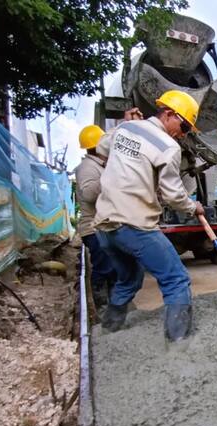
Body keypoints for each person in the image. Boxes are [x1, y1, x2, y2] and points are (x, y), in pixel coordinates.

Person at [94, 90, 204, 341]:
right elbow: (174, 196)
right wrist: (193, 207)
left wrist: (124, 124)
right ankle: (178, 342)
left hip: (105, 226)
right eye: (184, 126)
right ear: (169, 114)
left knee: (130, 278)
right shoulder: (168, 146)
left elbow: (101, 148)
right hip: (134, 225)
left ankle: (110, 327)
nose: (183, 134)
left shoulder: (125, 129)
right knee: (176, 279)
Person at [75, 124, 116, 306]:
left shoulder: (100, 166)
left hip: (103, 227)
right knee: (104, 267)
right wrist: (110, 178)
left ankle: (115, 303)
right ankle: (102, 305)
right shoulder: (87, 167)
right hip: (94, 229)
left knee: (114, 268)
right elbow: (89, 194)